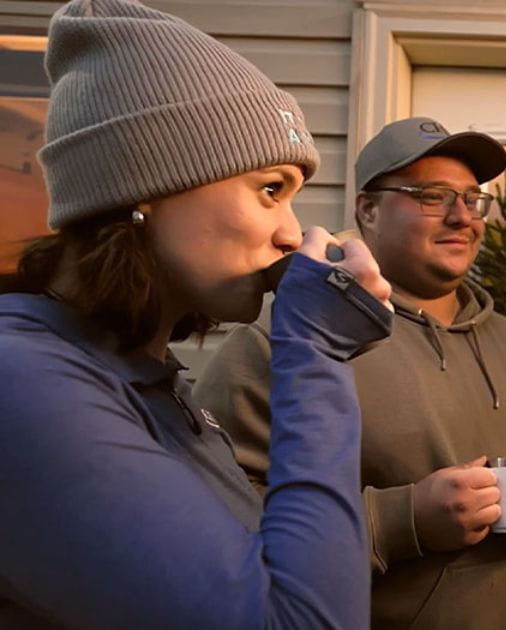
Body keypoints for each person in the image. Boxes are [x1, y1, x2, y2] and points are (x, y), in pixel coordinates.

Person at [0, 1, 394, 627]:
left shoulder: (145, 379)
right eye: (271, 189)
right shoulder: (26, 384)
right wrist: (314, 352)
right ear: (144, 184)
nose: (293, 234)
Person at [193, 116, 506, 629]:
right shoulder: (283, 344)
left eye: (473, 198)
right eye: (433, 196)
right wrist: (404, 520)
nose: (463, 216)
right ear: (368, 210)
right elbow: (223, 528)